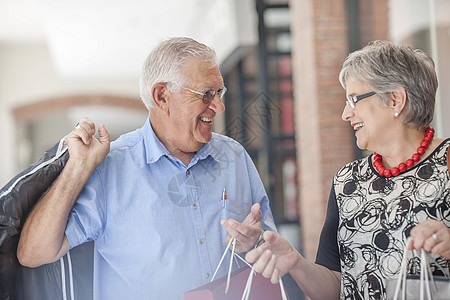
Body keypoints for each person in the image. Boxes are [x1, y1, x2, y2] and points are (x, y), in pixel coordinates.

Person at [17, 37, 277, 299]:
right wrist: (77, 169)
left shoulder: (235, 157)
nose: (219, 106)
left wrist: (256, 243)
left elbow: (275, 252)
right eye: (206, 94)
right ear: (161, 96)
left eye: (220, 93)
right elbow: (33, 253)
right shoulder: (109, 169)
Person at [245, 40, 450, 299]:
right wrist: (296, 262)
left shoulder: (447, 162)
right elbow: (335, 287)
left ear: (396, 99)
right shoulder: (347, 181)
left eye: (354, 99)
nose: (345, 114)